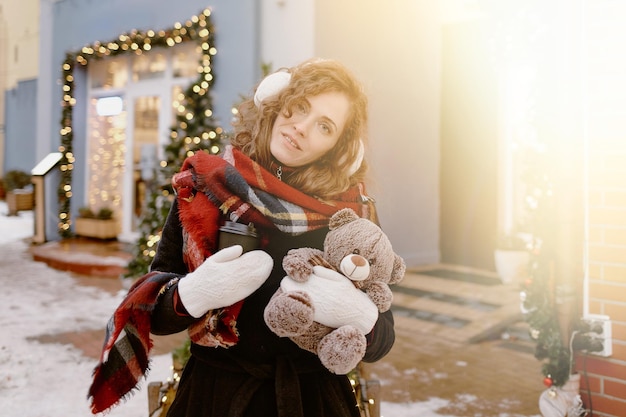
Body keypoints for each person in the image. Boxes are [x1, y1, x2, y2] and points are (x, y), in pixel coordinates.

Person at [89, 58, 396, 417]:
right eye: (299, 108)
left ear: (338, 147)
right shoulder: (205, 187)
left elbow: (382, 339)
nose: (301, 128)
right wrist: (193, 293)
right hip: (214, 397)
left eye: (324, 127)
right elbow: (155, 313)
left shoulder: (351, 213)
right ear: (277, 101)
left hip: (315, 400)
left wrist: (357, 312)